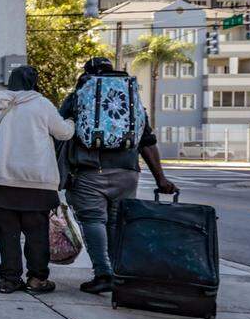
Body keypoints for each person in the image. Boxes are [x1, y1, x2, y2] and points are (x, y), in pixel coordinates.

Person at [59, 57, 179, 295]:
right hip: (127, 172)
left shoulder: (79, 96)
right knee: (116, 223)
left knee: (93, 221)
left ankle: (103, 273)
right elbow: (147, 142)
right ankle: (118, 273)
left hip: (89, 172)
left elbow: (60, 130)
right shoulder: (130, 100)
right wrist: (161, 179)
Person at [0, 66, 74, 295]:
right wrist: (71, 123)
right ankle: (37, 279)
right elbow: (63, 134)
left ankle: (9, 280)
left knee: (8, 234)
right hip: (37, 183)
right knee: (37, 235)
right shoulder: (43, 105)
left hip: (1, 182)